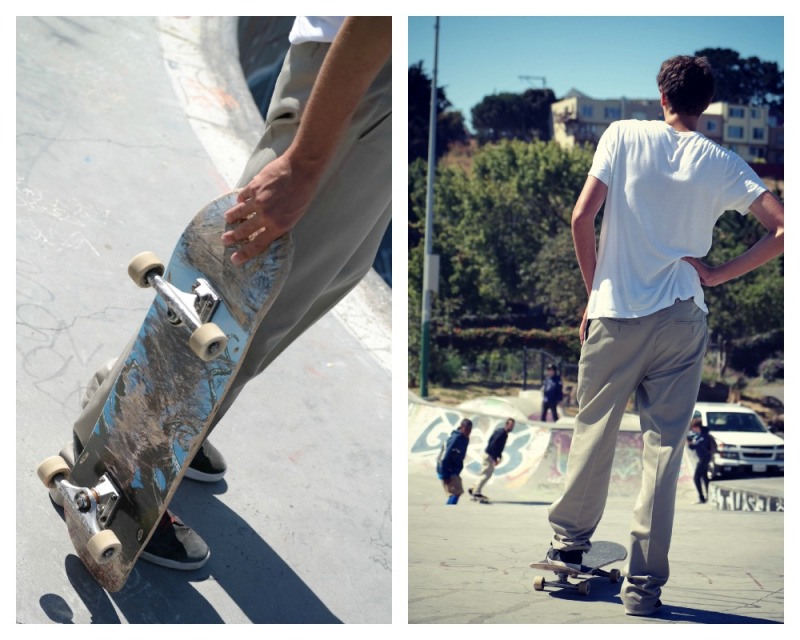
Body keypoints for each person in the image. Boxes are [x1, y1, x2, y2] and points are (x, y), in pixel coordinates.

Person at [60, 16, 392, 571]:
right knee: (241, 298)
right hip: (356, 71)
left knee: (305, 293)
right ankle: (113, 465)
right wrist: (305, 162)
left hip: (381, 91)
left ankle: (166, 425)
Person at [541, 54, 783, 617]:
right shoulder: (723, 161)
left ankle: (569, 545)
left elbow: (582, 219)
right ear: (707, 105)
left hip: (617, 312)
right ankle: (643, 588)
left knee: (594, 431)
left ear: (662, 96)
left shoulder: (623, 135)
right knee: (664, 451)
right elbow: (783, 227)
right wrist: (718, 274)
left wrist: (594, 292)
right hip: (682, 317)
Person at [468, 418, 515, 501]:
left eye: (513, 426)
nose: (512, 427)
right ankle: (476, 491)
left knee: (484, 473)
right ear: (506, 424)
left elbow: (499, 447)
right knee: (487, 474)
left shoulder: (503, 433)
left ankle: (473, 488)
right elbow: (493, 444)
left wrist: (498, 456)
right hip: (489, 455)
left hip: (489, 454)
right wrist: (494, 457)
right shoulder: (501, 433)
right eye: (511, 425)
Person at [437, 419, 473, 505]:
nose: (468, 432)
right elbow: (444, 456)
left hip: (453, 470)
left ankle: (448, 509)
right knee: (457, 492)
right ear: (461, 427)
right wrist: (445, 474)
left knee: (454, 493)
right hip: (446, 469)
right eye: (466, 429)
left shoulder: (465, 439)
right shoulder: (455, 438)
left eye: (470, 430)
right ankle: (448, 511)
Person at [686, 417, 715, 504]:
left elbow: (694, 446)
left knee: (696, 477)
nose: (692, 430)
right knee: (704, 477)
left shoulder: (703, 436)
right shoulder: (703, 434)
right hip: (705, 459)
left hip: (703, 460)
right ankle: (708, 496)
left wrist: (688, 441)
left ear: (697, 427)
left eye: (693, 428)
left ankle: (702, 498)